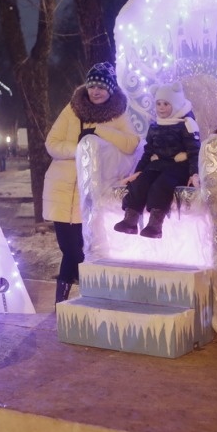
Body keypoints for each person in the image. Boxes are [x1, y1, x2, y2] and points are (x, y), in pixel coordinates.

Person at [43, 62, 140, 302]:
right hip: (62, 189)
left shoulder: (118, 113)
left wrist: (97, 132)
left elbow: (131, 143)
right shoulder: (72, 109)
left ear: (110, 90)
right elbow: (51, 143)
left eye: (101, 87)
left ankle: (69, 302)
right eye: (92, 86)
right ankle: (76, 300)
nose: (95, 91)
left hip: (90, 193)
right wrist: (79, 150)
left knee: (79, 250)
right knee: (69, 249)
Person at [113, 82, 200, 239]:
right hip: (157, 164)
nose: (161, 107)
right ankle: (130, 222)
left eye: (166, 104)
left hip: (178, 166)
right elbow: (148, 152)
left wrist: (194, 173)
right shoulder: (155, 127)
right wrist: (138, 172)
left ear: (176, 104)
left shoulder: (186, 124)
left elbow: (194, 151)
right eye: (158, 103)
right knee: (141, 183)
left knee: (161, 184)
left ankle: (155, 225)